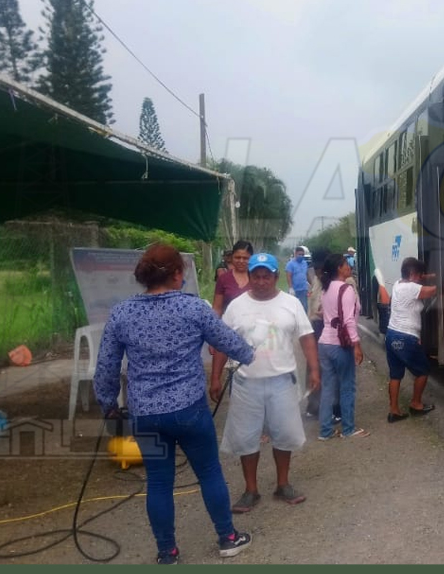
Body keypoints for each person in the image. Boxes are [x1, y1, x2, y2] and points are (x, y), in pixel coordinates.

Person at [94, 243, 256, 565]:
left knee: (158, 481)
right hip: (189, 410)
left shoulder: (122, 312)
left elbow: (106, 367)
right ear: (178, 274)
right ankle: (227, 538)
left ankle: (167, 552)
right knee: (209, 472)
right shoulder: (193, 308)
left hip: (146, 414)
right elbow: (230, 344)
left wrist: (107, 404)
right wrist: (248, 354)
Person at [211, 252, 321, 512]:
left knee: (284, 435)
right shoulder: (237, 306)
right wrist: (215, 376)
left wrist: (315, 370)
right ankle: (251, 490)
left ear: (276, 277)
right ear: (250, 277)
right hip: (246, 383)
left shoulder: (291, 303)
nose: (261, 281)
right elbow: (222, 343)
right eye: (256, 276)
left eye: (266, 276)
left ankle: (283, 484)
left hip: (282, 381)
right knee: (246, 438)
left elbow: (306, 337)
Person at [317, 254, 369, 440]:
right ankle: (348, 429)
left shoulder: (326, 288)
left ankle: (325, 431)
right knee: (347, 387)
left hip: (324, 343)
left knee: (328, 389)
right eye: (346, 264)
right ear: (339, 268)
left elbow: (324, 312)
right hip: (340, 345)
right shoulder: (346, 289)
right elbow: (348, 320)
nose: (349, 267)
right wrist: (356, 346)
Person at [384, 257, 440, 423]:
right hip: (406, 337)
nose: (420, 278)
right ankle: (416, 404)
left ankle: (394, 411)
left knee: (395, 375)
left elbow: (417, 281)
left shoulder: (397, 284)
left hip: (391, 335)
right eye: (419, 275)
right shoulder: (411, 288)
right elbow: (433, 291)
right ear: (413, 274)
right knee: (423, 371)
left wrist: (426, 275)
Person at [304, 250, 341, 423]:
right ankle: (313, 405)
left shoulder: (339, 282)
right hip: (314, 328)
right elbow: (313, 306)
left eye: (320, 269)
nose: (317, 272)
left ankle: (334, 408)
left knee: (330, 371)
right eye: (315, 268)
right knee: (313, 368)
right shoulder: (317, 281)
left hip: (329, 330)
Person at [213, 241, 253, 318]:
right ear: (232, 257)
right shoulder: (223, 279)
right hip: (228, 325)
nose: (241, 261)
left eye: (245, 258)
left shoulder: (257, 278)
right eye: (237, 257)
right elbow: (217, 308)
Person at [286, 246, 310, 312]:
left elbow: (306, 274)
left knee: (304, 307)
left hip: (303, 289)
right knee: (294, 308)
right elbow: (289, 276)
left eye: (302, 254)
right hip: (295, 290)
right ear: (295, 254)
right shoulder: (290, 264)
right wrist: (290, 288)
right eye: (299, 254)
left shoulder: (305, 263)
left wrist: (310, 284)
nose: (301, 256)